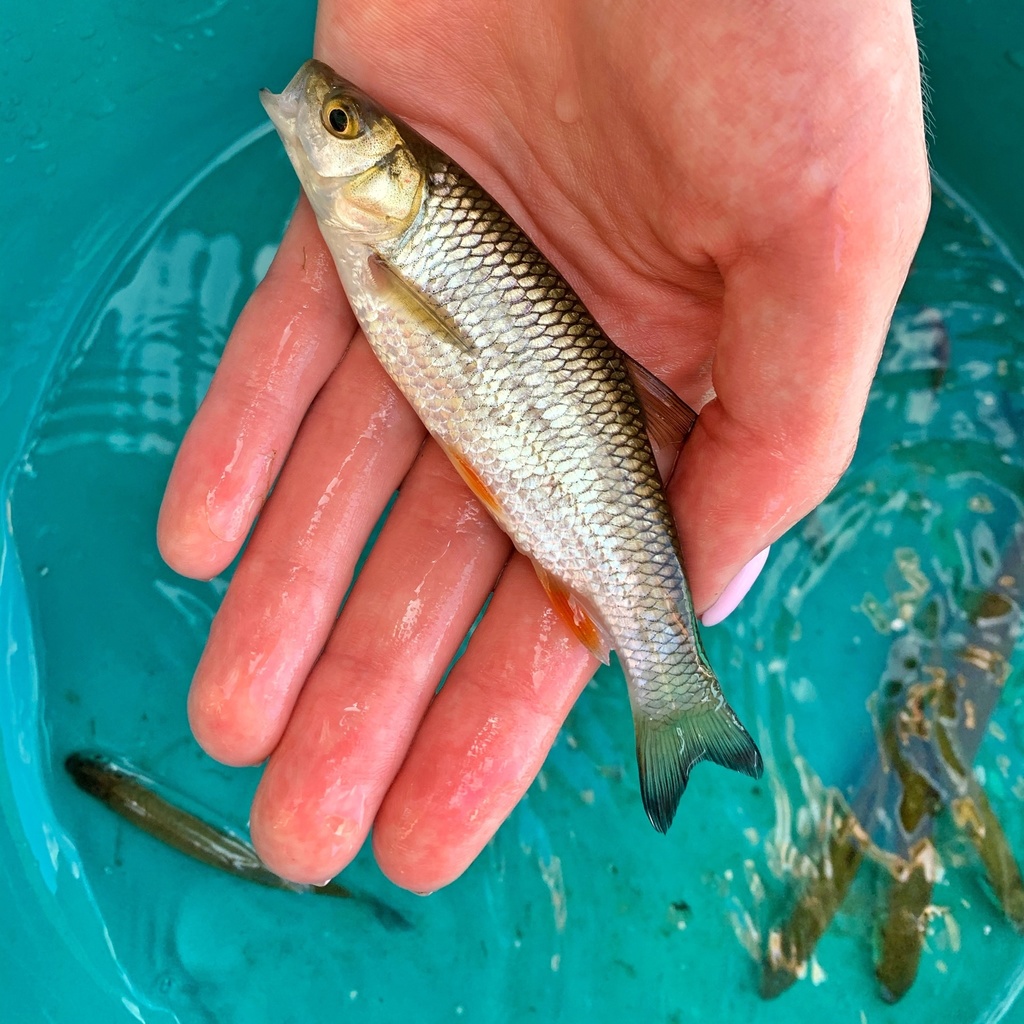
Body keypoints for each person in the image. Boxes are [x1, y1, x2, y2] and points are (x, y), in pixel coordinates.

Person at [157, 1, 929, 893]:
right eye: (339, 121)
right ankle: (671, 692)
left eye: (339, 124)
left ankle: (671, 687)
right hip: (557, 433)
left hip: (571, 443)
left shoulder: (389, 245)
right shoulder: (382, 234)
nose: (319, 118)